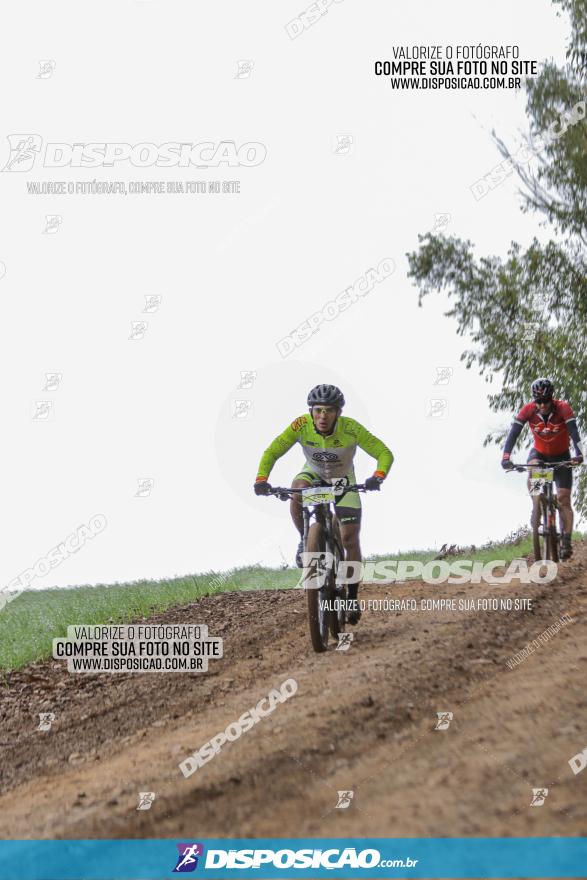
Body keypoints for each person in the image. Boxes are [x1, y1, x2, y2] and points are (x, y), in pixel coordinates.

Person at [254, 384, 393, 623]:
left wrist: (377, 477)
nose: (322, 416)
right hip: (314, 474)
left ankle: (351, 597)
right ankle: (305, 539)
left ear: (338, 413)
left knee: (349, 538)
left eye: (329, 410)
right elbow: (272, 451)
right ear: (311, 411)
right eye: (317, 410)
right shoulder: (300, 425)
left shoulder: (351, 428)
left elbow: (384, 452)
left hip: (343, 481)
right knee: (297, 487)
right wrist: (261, 479)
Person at [501, 377, 584, 559]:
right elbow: (514, 433)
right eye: (539, 401)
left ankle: (566, 541)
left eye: (546, 401)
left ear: (552, 398)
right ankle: (537, 504)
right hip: (540, 454)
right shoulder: (528, 410)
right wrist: (506, 456)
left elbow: (574, 432)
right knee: (534, 467)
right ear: (534, 400)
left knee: (563, 499)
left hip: (562, 457)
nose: (543, 405)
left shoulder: (563, 408)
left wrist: (579, 453)